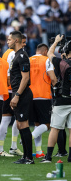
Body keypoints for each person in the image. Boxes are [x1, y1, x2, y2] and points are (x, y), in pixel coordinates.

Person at [41, 35, 71, 163]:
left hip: (62, 99)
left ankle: (48, 156)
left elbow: (49, 53)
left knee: (55, 128)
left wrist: (57, 41)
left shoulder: (61, 63)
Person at [7, 31, 34, 164]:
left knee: (23, 124)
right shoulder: (16, 55)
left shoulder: (22, 56)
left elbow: (25, 78)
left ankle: (29, 158)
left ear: (16, 41)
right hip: (17, 94)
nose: (8, 42)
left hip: (22, 94)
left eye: (9, 39)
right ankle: (25, 156)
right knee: (19, 124)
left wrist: (17, 95)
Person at [0, 35, 27, 156]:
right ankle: (9, 146)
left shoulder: (7, 53)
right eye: (23, 42)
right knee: (13, 118)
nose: (24, 44)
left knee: (10, 119)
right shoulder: (13, 54)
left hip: (9, 89)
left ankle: (5, 146)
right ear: (18, 41)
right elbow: (10, 73)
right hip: (12, 90)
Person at [29, 43, 57, 159]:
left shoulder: (29, 60)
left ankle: (39, 151)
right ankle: (29, 137)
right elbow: (53, 78)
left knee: (37, 123)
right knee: (47, 124)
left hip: (30, 96)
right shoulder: (46, 60)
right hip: (43, 95)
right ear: (45, 51)